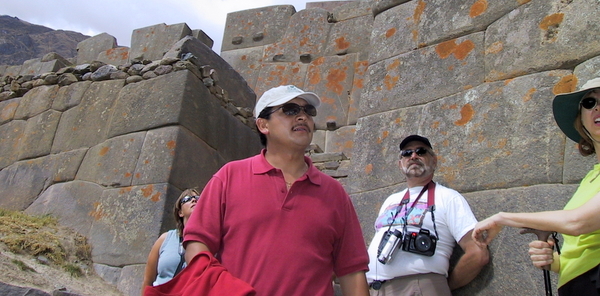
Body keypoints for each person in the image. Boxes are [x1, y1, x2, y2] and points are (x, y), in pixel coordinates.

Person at [183, 84, 370, 296]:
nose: (302, 117)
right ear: (263, 125)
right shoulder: (229, 176)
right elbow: (197, 244)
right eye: (290, 110)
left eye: (308, 111)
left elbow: (352, 271)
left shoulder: (334, 193)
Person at [472, 77, 600, 295]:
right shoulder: (591, 178)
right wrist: (554, 261)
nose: (597, 107)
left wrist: (503, 218)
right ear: (581, 120)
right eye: (589, 103)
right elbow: (580, 244)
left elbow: (578, 222)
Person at [366, 134, 489, 295]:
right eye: (407, 153)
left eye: (421, 151)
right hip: (375, 289)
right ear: (400, 163)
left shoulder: (448, 197)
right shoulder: (391, 200)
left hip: (419, 286)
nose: (413, 156)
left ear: (434, 160)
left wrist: (442, 286)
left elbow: (477, 252)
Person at [141, 189, 199, 295]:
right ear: (180, 212)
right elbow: (148, 280)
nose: (194, 200)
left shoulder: (208, 243)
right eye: (187, 199)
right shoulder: (165, 239)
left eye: (198, 198)